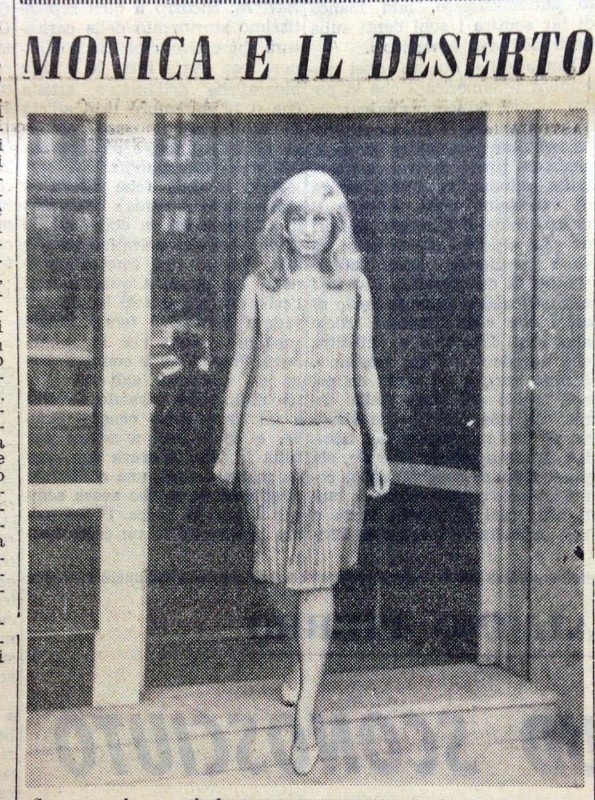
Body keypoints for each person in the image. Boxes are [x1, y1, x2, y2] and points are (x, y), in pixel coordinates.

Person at [214, 170, 391, 775]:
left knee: (317, 578)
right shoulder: (259, 285)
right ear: (282, 224)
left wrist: (379, 444)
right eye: (299, 218)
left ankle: (306, 713)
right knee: (276, 573)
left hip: (334, 443)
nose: (310, 231)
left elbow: (365, 367)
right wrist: (228, 446)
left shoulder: (354, 285)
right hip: (267, 437)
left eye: (322, 219)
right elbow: (240, 368)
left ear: (336, 226)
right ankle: (298, 657)